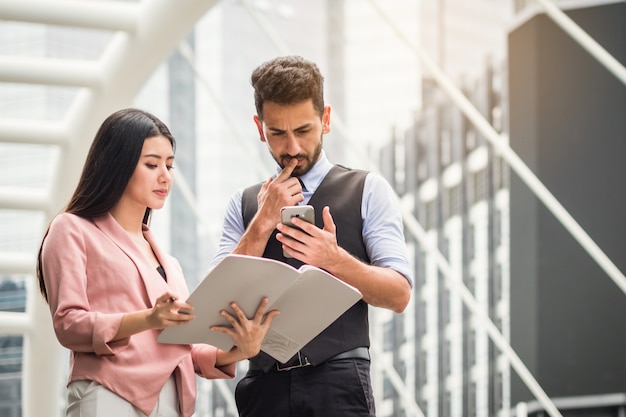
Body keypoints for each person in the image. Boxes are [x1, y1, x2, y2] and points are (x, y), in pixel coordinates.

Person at [36, 108, 279, 417]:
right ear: (118, 165)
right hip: (109, 395)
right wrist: (148, 319)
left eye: (169, 165)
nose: (165, 176)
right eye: (152, 164)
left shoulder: (169, 263)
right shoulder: (72, 229)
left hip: (172, 404)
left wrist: (239, 350)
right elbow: (69, 325)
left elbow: (183, 349)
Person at [209, 55, 414, 416]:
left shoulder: (368, 189)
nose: (292, 148)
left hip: (339, 385)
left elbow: (399, 295)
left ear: (327, 120)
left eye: (303, 130)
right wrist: (261, 224)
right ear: (259, 128)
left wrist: (335, 261)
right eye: (277, 133)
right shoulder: (242, 205)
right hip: (263, 389)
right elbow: (214, 305)